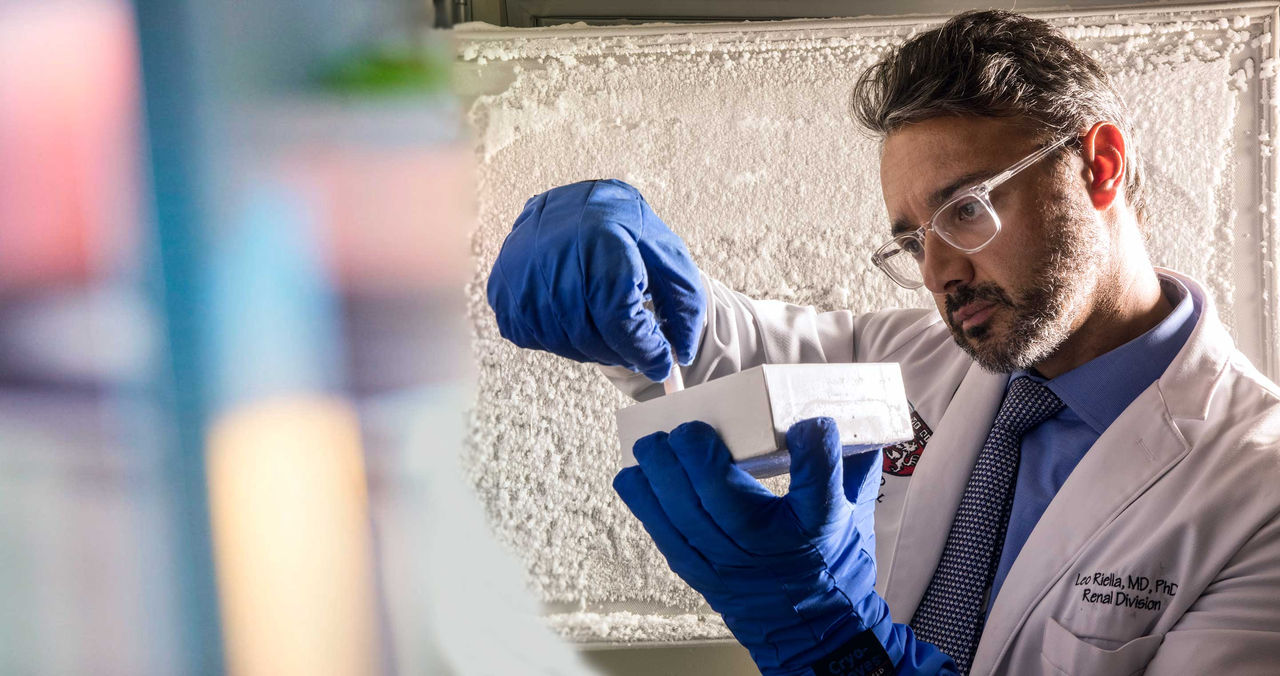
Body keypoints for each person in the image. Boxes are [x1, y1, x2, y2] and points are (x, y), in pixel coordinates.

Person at [485, 10, 1280, 675]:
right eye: (912, 240)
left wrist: (841, 650)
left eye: (966, 209)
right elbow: (720, 345)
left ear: (1099, 165)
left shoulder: (1257, 493)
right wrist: (617, 266)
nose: (939, 274)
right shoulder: (914, 360)